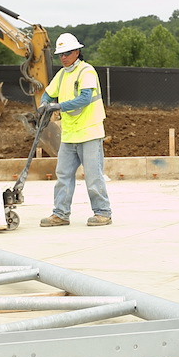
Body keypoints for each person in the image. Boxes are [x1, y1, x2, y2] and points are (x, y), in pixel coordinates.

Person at [38, 33, 113, 227]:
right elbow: (48, 92)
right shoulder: (62, 74)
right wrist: (44, 104)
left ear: (77, 52)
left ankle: (103, 212)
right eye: (60, 54)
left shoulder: (86, 71)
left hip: (89, 132)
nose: (63, 57)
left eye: (67, 53)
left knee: (93, 174)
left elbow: (85, 98)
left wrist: (57, 107)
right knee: (63, 174)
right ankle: (60, 214)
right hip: (70, 134)